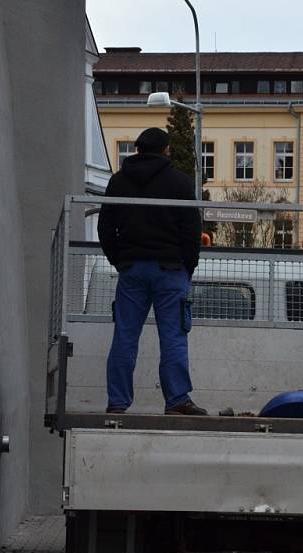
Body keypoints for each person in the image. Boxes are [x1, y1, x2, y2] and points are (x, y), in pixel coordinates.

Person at [97, 127, 206, 415]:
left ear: (138, 149)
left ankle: (118, 403)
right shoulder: (180, 182)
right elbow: (192, 230)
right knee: (172, 336)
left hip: (132, 270)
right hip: (171, 270)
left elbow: (105, 228)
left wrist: (119, 260)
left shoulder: (118, 182)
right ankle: (177, 400)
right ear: (166, 150)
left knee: (125, 336)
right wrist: (188, 266)